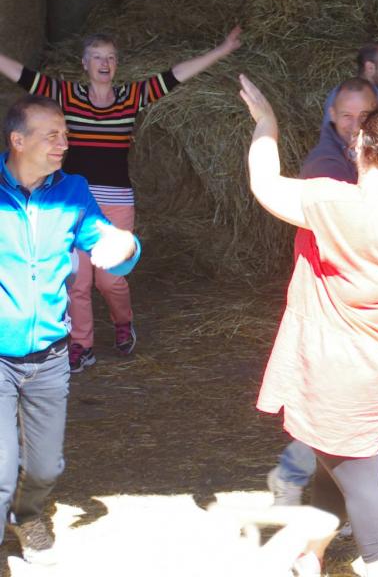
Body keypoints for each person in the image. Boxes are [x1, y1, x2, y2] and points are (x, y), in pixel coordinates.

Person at [238, 74, 378, 577]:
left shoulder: (334, 205)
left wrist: (266, 123)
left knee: (360, 480)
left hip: (343, 374)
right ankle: (309, 557)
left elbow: (263, 184)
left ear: (356, 144)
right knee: (334, 471)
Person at [0, 28, 242, 372]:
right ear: (84, 63)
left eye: (111, 57)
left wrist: (223, 49)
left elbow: (176, 75)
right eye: (97, 56)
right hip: (73, 202)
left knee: (111, 278)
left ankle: (122, 321)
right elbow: (24, 75)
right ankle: (81, 345)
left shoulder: (131, 97)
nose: (105, 63)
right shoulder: (66, 96)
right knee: (78, 281)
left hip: (116, 200)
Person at [266, 76, 378, 510]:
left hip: (349, 344)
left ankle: (319, 513)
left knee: (338, 444)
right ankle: (313, 511)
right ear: (331, 116)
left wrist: (264, 125)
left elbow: (267, 187)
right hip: (348, 336)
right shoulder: (326, 165)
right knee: (337, 444)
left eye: (365, 117)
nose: (355, 124)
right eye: (347, 115)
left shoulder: (358, 187)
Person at [0, 96, 140, 564]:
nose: (64, 143)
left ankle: (29, 514)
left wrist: (125, 245)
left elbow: (105, 238)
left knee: (44, 466)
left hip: (50, 357)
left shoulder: (73, 190)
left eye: (65, 133)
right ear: (18, 141)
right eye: (52, 135)